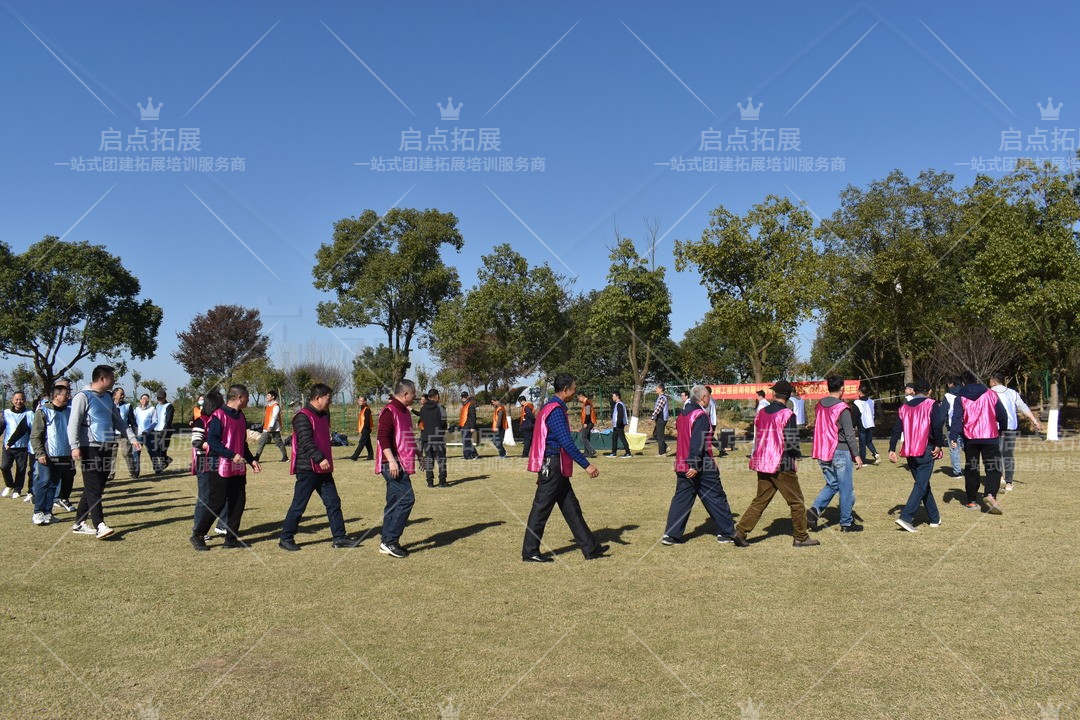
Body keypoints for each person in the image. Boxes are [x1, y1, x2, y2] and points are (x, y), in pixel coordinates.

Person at [522, 373, 606, 562]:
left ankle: (590, 548)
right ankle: (530, 552)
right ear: (566, 389)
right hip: (553, 466)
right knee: (541, 509)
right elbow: (566, 443)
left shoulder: (552, 407)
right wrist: (587, 465)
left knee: (571, 508)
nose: (575, 392)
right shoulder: (556, 410)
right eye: (574, 388)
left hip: (555, 466)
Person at [734, 380, 818, 547]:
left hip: (763, 462)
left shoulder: (762, 413)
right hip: (782, 463)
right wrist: (796, 457)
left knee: (760, 500)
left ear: (774, 394)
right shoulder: (787, 414)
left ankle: (741, 531)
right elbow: (792, 441)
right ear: (789, 396)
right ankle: (801, 537)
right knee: (796, 501)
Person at [278, 384, 362, 551]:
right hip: (307, 469)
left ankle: (339, 537)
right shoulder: (302, 416)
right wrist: (320, 458)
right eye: (328, 398)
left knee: (333, 502)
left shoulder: (324, 415)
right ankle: (286, 538)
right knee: (299, 505)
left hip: (323, 470)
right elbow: (305, 441)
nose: (330, 401)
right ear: (318, 398)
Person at [67, 365, 142, 539]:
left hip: (107, 446)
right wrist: (74, 446)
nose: (114, 381)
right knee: (93, 485)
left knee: (96, 486)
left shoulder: (108, 397)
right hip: (89, 447)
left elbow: (119, 422)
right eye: (112, 378)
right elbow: (73, 423)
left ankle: (79, 523)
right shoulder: (82, 396)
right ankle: (100, 524)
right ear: (102, 379)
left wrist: (132, 438)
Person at [661, 384, 736, 545]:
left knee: (682, 499)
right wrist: (694, 465)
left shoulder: (683, 415)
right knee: (716, 497)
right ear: (703, 398)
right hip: (701, 464)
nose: (709, 399)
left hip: (682, 463)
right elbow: (697, 442)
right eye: (708, 396)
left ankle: (671, 534)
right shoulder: (700, 416)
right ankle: (727, 532)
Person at [189, 384, 261, 550]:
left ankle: (231, 538)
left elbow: (242, 444)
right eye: (248, 397)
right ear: (240, 397)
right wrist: (231, 455)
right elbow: (213, 441)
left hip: (237, 467)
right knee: (216, 502)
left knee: (238, 502)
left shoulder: (241, 417)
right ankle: (198, 534)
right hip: (219, 465)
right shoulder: (218, 416)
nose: (249, 400)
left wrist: (251, 461)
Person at [806, 376, 863, 533]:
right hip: (840, 450)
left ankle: (814, 511)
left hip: (822, 450)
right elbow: (849, 434)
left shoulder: (819, 405)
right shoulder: (842, 408)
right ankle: (846, 522)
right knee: (846, 488)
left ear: (827, 387)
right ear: (842, 388)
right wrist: (856, 454)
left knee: (833, 484)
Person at [890, 379, 945, 532]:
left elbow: (896, 429)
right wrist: (939, 444)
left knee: (923, 483)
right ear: (929, 391)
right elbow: (937, 426)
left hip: (909, 450)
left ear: (914, 391)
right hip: (926, 449)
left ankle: (934, 518)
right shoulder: (931, 404)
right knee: (921, 484)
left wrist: (891, 448)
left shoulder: (904, 407)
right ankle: (906, 517)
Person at [950, 370, 1008, 514]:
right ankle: (990, 495)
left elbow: (956, 419)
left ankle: (971, 501)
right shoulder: (990, 394)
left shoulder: (960, 397)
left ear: (963, 383)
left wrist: (953, 436)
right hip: (990, 436)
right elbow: (1002, 414)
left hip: (970, 439)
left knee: (972, 468)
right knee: (993, 467)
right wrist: (1003, 429)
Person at [375, 379, 420, 558]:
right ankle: (390, 541)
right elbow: (382, 438)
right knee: (407, 498)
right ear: (406, 394)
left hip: (401, 462)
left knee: (393, 502)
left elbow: (407, 436)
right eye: (414, 394)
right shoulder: (389, 411)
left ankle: (386, 540)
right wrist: (392, 461)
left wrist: (419, 454)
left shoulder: (405, 412)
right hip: (392, 464)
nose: (415, 397)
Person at [29, 384, 74, 526]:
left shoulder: (69, 411)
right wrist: (40, 453)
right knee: (44, 482)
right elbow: (35, 435)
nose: (68, 397)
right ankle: (38, 512)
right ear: (56, 396)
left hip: (63, 454)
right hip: (47, 455)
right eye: (66, 394)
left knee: (54, 484)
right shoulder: (43, 411)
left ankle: (48, 512)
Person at [989, 371, 1042, 492]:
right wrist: (1034, 420)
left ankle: (999, 478)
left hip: (994, 428)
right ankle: (1009, 482)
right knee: (1008, 455)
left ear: (994, 381)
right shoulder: (1013, 393)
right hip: (1010, 428)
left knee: (996, 453)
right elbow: (1023, 407)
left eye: (990, 381)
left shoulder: (989, 393)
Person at [189, 391, 225, 541]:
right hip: (203, 461)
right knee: (204, 497)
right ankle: (199, 530)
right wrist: (215, 446)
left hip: (218, 461)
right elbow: (196, 442)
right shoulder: (201, 421)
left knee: (222, 495)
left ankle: (222, 526)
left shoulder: (217, 420)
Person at [1, 391, 33, 499]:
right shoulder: (6, 413)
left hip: (23, 446)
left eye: (21, 399)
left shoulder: (29, 413)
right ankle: (9, 484)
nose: (19, 401)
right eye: (17, 399)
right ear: (12, 400)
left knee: (21, 469)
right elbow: (1, 427)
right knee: (4, 466)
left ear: (25, 400)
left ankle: (17, 489)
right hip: (7, 446)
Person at [106, 387, 136, 481]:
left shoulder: (127, 406)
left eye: (123, 394)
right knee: (112, 455)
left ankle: (133, 472)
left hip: (124, 435)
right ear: (114, 394)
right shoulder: (108, 405)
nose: (123, 396)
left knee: (126, 453)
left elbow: (132, 421)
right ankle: (111, 474)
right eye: (121, 394)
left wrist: (135, 434)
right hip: (111, 434)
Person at [420, 389, 448, 488]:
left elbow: (421, 422)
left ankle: (430, 482)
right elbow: (443, 423)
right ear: (436, 396)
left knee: (429, 460)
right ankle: (442, 481)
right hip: (438, 438)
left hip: (426, 438)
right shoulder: (440, 408)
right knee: (441, 460)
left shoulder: (422, 409)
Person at [254, 390, 289, 463]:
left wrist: (270, 427)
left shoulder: (276, 406)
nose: (267, 397)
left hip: (273, 428)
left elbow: (274, 417)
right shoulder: (268, 406)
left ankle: (285, 457)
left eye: (268, 395)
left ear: (273, 397)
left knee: (279, 442)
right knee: (262, 442)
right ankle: (257, 457)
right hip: (266, 428)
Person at [853, 383, 880, 465]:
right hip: (870, 423)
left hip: (862, 424)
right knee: (868, 441)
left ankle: (863, 461)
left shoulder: (857, 402)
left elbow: (855, 416)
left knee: (862, 443)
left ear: (860, 392)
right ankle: (875, 453)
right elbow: (874, 413)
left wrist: (852, 426)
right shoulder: (871, 402)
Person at [943, 377, 964, 478]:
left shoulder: (948, 395)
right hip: (967, 425)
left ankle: (957, 471)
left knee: (954, 449)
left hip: (952, 426)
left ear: (951, 384)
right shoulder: (966, 393)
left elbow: (943, 412)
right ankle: (971, 469)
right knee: (969, 448)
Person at [148, 390, 174, 474]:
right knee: (155, 448)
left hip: (165, 430)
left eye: (160, 398)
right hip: (156, 429)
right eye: (158, 398)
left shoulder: (169, 406)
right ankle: (167, 460)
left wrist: (165, 430)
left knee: (162, 449)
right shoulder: (157, 406)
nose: (159, 399)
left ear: (164, 397)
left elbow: (168, 420)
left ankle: (163, 463)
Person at [131, 393, 155, 479]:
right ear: (140, 400)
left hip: (149, 434)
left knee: (152, 452)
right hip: (138, 435)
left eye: (146, 399)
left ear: (148, 400)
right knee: (136, 453)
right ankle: (136, 472)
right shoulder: (136, 410)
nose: (144, 400)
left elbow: (155, 421)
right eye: (143, 398)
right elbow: (133, 421)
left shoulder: (152, 409)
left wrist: (148, 430)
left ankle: (157, 468)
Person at [606, 390, 631, 458]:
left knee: (622, 438)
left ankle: (628, 453)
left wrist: (619, 423)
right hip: (616, 425)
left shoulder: (619, 404)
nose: (612, 397)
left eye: (613, 396)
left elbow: (620, 415)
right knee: (614, 438)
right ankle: (614, 452)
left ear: (617, 396)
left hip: (619, 425)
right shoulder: (617, 404)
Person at [349, 396, 374, 461]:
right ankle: (370, 455)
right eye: (359, 400)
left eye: (361, 400)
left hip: (366, 429)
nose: (359, 402)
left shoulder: (367, 409)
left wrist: (364, 430)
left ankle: (355, 456)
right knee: (367, 442)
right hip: (364, 429)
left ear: (365, 401)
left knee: (361, 442)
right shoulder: (362, 408)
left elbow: (367, 421)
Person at [459, 391, 478, 460]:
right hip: (463, 426)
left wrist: (472, 427)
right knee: (465, 441)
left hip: (468, 426)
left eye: (464, 396)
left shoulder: (471, 405)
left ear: (467, 397)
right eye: (462, 397)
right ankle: (467, 456)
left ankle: (474, 454)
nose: (463, 398)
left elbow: (473, 417)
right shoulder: (464, 405)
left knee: (466, 440)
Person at [651, 383, 669, 456]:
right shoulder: (660, 397)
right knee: (655, 434)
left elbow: (658, 409)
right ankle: (665, 447)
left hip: (661, 419)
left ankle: (662, 453)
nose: (656, 389)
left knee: (660, 436)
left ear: (661, 389)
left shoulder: (662, 398)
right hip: (659, 418)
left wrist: (651, 418)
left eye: (657, 388)